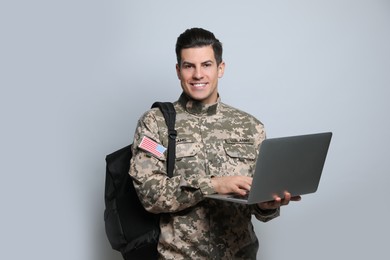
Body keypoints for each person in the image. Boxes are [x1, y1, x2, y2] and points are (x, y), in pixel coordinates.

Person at [129, 27, 301, 259]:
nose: (198, 74)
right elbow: (150, 194)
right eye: (189, 66)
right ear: (179, 71)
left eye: (207, 65)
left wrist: (267, 205)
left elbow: (257, 203)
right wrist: (212, 185)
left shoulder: (250, 127)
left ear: (220, 68)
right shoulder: (155, 124)